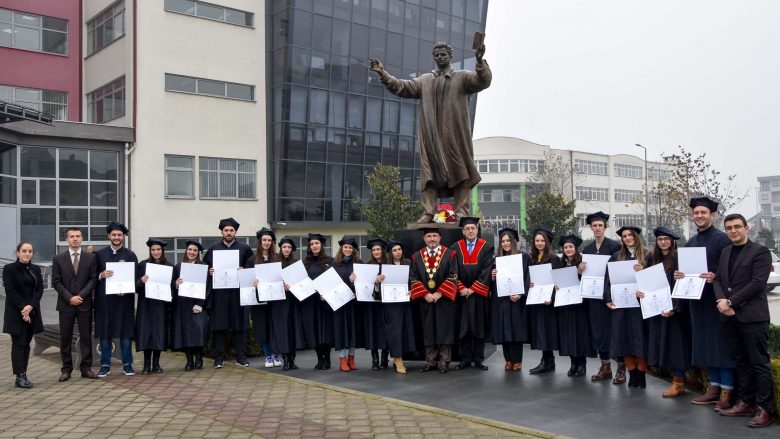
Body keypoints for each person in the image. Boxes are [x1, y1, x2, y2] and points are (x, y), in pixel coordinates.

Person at [370, 42, 491, 221]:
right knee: (429, 174)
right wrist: (383, 73)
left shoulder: (463, 77)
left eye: (443, 54)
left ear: (450, 56)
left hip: (455, 135)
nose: (440, 57)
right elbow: (401, 86)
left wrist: (480, 62)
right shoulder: (425, 80)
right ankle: (428, 212)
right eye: (437, 55)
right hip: (431, 136)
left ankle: (461, 211)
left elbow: (482, 81)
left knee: (461, 170)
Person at [714, 214, 775, 428]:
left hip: (752, 318)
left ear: (746, 228)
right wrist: (722, 301)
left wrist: (730, 302)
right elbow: (719, 279)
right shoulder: (725, 252)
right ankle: (746, 402)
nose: (733, 230)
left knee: (759, 364)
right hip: (729, 317)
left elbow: (758, 283)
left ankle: (765, 408)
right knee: (741, 361)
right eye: (729, 227)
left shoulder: (760, 252)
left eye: (737, 226)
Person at [676, 197, 735, 410]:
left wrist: (716, 276)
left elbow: (732, 270)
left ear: (713, 215)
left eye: (703, 212)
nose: (699, 216)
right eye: (696, 213)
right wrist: (680, 275)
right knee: (706, 345)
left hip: (717, 301)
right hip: (697, 302)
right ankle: (713, 388)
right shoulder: (690, 242)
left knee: (721, 345)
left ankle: (727, 391)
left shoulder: (722, 240)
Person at [644, 227, 691, 398]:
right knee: (662, 345)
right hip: (658, 309)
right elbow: (647, 281)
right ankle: (680, 377)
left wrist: (675, 308)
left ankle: (678, 383)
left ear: (672, 241)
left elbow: (685, 284)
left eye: (666, 239)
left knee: (676, 347)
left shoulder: (678, 257)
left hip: (675, 311)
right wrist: (642, 293)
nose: (663, 241)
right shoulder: (652, 257)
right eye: (660, 239)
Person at [203, 217, 254, 368]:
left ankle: (241, 356)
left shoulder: (244, 248)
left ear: (235, 231)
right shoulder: (213, 249)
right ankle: (219, 358)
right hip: (219, 294)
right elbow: (204, 268)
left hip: (237, 293)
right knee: (219, 326)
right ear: (221, 232)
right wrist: (209, 271)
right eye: (226, 230)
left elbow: (251, 269)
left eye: (231, 230)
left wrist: (244, 270)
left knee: (239, 325)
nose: (229, 233)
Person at [604, 226, 650, 388]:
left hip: (640, 306)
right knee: (624, 340)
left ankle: (641, 375)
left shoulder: (647, 255)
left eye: (630, 235)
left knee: (640, 340)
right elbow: (608, 281)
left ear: (636, 236)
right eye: (624, 236)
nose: (627, 238)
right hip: (621, 306)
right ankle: (632, 374)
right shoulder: (616, 257)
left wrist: (643, 271)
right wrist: (608, 298)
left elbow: (655, 279)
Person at [580, 211, 623, 382]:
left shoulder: (614, 246)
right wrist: (580, 269)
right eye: (594, 225)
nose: (597, 228)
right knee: (598, 332)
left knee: (614, 332)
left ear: (605, 227)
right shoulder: (588, 249)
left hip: (611, 297)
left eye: (600, 225)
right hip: (594, 298)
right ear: (590, 228)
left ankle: (621, 368)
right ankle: (605, 366)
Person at [409, 227, 459, 373]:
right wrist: (425, 294)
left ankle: (444, 361)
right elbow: (414, 277)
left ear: (440, 237)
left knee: (445, 329)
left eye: (435, 236)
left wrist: (439, 293)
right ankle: (430, 361)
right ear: (424, 239)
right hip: (426, 301)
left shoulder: (450, 254)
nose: (432, 239)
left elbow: (453, 275)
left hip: (444, 301)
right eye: (429, 236)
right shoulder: (416, 256)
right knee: (428, 329)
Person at [52, 227, 98, 381]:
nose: (75, 239)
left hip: (84, 304)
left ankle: (86, 368)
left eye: (78, 236)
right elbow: (56, 282)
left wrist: (81, 295)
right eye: (72, 236)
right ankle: (66, 369)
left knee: (86, 336)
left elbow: (93, 279)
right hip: (66, 304)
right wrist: (69, 297)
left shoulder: (90, 258)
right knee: (65, 337)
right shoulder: (58, 258)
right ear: (67, 240)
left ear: (82, 239)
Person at [95, 222, 138, 378]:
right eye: (114, 234)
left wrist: (126, 289)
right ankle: (105, 365)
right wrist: (101, 275)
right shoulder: (99, 255)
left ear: (123, 237)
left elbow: (135, 278)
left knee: (125, 334)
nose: (116, 237)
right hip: (104, 301)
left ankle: (127, 364)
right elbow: (92, 277)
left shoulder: (130, 255)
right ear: (109, 236)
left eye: (119, 235)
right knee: (105, 334)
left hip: (123, 301)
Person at [453, 217, 494, 371]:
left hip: (478, 294)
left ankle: (478, 359)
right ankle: (464, 359)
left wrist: (473, 288)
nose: (470, 231)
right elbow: (453, 270)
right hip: (462, 295)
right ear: (463, 231)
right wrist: (461, 287)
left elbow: (486, 271)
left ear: (477, 230)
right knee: (463, 327)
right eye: (467, 228)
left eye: (473, 228)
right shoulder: (455, 248)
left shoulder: (486, 247)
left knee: (479, 326)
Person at [3, 242, 44, 388]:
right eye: (24, 251)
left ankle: (24, 373)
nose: (27, 254)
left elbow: (39, 289)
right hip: (16, 313)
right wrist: (23, 308)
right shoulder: (9, 269)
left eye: (30, 251)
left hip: (31, 312)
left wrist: (30, 306)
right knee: (18, 344)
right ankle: (19, 376)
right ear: (18, 253)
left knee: (26, 344)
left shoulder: (35, 269)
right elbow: (10, 291)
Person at [490, 228, 530, 372]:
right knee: (503, 330)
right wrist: (493, 275)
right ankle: (508, 360)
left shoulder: (523, 257)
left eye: (508, 240)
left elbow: (527, 278)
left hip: (516, 300)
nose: (506, 243)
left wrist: (520, 294)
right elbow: (492, 282)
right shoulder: (497, 259)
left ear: (513, 242)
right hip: (501, 300)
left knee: (516, 330)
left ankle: (517, 360)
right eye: (503, 241)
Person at [557, 234, 594, 377]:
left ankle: (581, 364)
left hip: (580, 305)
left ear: (576, 248)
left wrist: (579, 273)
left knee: (580, 334)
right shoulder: (561, 264)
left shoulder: (582, 263)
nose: (568, 249)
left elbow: (589, 281)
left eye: (571, 246)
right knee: (568, 334)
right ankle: (573, 363)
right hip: (566, 305)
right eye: (566, 247)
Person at [136, 238, 173, 375]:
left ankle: (156, 364)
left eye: (158, 249)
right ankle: (146, 365)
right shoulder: (142, 265)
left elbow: (172, 286)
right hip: (146, 305)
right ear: (150, 251)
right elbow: (134, 285)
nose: (156, 252)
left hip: (161, 305)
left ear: (162, 250)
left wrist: (175, 285)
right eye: (153, 250)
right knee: (147, 333)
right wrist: (141, 281)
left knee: (159, 333)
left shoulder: (169, 266)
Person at [527, 227, 560, 375]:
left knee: (547, 331)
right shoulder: (532, 258)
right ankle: (547, 360)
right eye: (537, 241)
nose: (539, 243)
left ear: (547, 242)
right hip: (536, 300)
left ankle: (547, 361)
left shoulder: (553, 259)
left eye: (542, 241)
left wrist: (552, 297)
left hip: (548, 302)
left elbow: (557, 280)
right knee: (540, 330)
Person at [172, 240, 208, 371]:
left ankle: (199, 358)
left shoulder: (203, 267)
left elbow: (207, 287)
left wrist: (200, 304)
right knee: (185, 333)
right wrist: (176, 284)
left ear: (198, 253)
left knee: (198, 331)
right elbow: (172, 285)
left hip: (198, 304)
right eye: (190, 250)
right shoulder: (178, 267)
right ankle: (189, 361)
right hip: (182, 305)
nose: (192, 252)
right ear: (186, 251)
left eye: (195, 250)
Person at [383, 240, 417, 374]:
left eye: (399, 249)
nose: (398, 252)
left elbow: (415, 279)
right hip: (391, 304)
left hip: (405, 301)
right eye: (395, 250)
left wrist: (413, 289)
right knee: (395, 331)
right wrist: (378, 281)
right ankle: (398, 359)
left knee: (405, 331)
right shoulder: (385, 266)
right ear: (390, 253)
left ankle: (400, 357)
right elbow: (379, 288)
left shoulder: (408, 263)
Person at [302, 233, 335, 370]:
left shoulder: (330, 261)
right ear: (309, 247)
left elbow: (334, 281)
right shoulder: (305, 263)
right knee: (314, 330)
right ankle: (319, 359)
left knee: (324, 331)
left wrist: (327, 294)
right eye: (312, 244)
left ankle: (327, 359)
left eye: (317, 243)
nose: (314, 246)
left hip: (325, 303)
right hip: (310, 303)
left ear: (321, 245)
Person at [253, 227, 281, 368]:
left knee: (275, 327)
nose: (267, 242)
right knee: (262, 328)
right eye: (264, 240)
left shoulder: (277, 258)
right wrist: (253, 283)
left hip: (274, 300)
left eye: (269, 240)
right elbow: (246, 282)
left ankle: (276, 354)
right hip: (259, 302)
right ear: (260, 241)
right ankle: (268, 356)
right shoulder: (251, 260)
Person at [332, 237, 361, 372]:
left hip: (353, 303)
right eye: (345, 247)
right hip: (339, 304)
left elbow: (364, 285)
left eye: (350, 247)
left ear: (353, 249)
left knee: (352, 330)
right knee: (341, 331)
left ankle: (351, 358)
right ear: (341, 248)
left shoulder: (359, 264)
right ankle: (342, 359)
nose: (348, 249)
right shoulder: (334, 265)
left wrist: (354, 284)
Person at [275, 237, 300, 370]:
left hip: (294, 301)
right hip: (280, 302)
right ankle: (285, 358)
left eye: (289, 247)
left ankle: (292, 359)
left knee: (293, 330)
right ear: (281, 248)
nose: (286, 249)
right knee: (283, 330)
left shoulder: (296, 263)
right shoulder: (275, 263)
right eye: (284, 247)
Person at [364, 238, 389, 370]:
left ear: (382, 250)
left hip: (387, 303)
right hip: (372, 304)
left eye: (378, 249)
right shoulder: (367, 266)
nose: (376, 252)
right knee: (372, 330)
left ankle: (385, 358)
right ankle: (374, 359)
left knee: (386, 330)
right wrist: (375, 282)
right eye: (373, 250)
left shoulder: (389, 265)